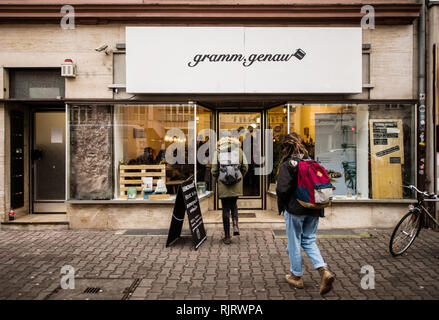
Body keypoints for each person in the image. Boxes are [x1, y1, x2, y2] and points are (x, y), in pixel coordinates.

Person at [276, 133, 336, 296]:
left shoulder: (288, 164)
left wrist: (282, 206)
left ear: (286, 148)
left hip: (295, 210)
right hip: (314, 208)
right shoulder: (311, 161)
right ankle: (324, 271)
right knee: (309, 240)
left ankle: (296, 276)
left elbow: (282, 189)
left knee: (294, 242)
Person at [212, 136, 248, 245]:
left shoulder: (217, 151)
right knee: (234, 205)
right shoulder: (239, 151)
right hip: (236, 184)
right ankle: (235, 225)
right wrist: (239, 177)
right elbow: (245, 167)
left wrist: (219, 179)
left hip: (223, 185)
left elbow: (214, 170)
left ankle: (227, 236)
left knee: (225, 209)